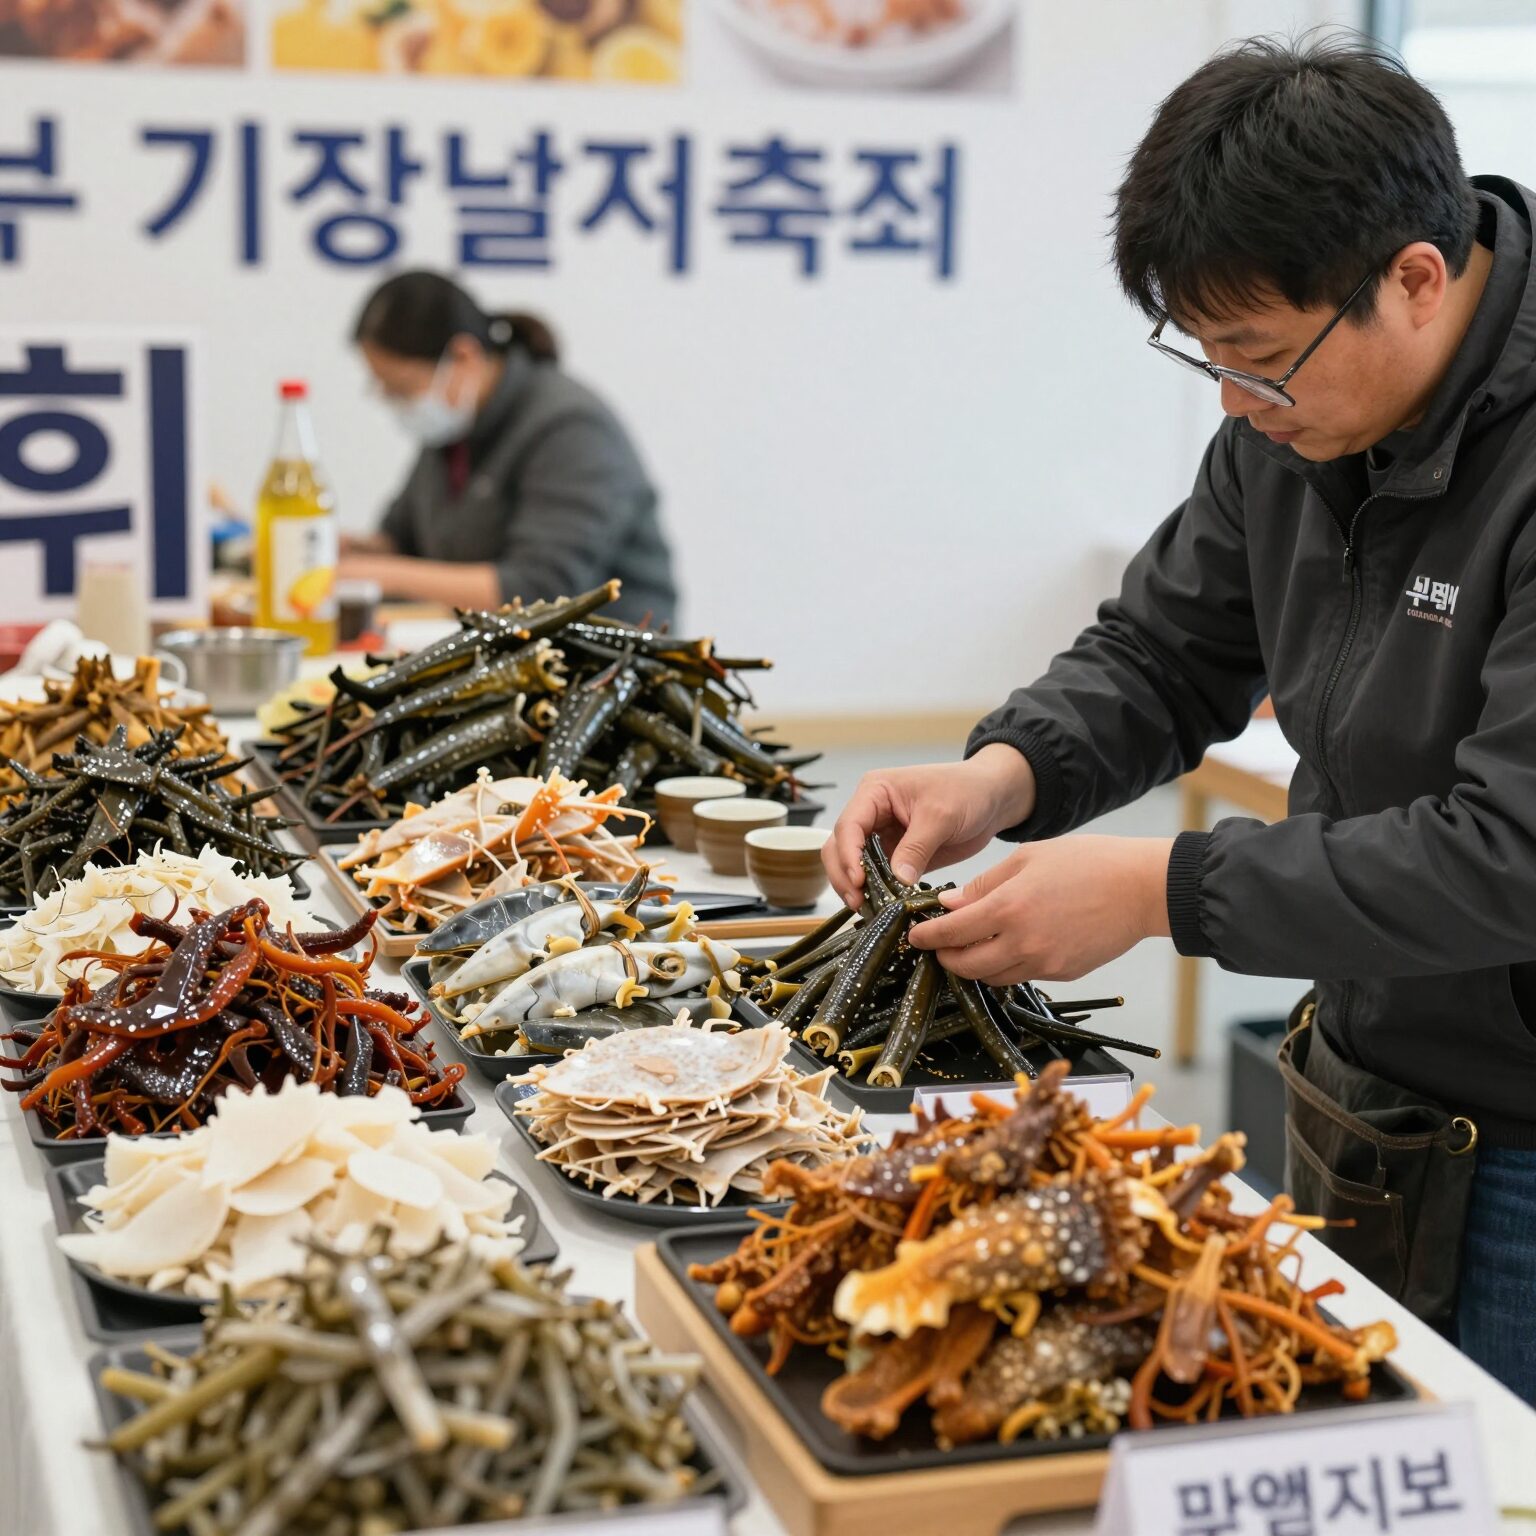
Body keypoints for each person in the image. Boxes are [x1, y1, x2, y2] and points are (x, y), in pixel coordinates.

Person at [826, 35, 1536, 1405]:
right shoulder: (1293, 426)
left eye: (1259, 359)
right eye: (1204, 354)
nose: (1231, 402)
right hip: (1364, 1083)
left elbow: (1512, 852)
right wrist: (999, 775)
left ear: (1418, 278)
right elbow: (1164, 651)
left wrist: (1164, 887)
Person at [340, 270, 677, 627]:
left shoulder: (570, 428)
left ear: (464, 357)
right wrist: (345, 552)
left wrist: (373, 575)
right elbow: (404, 541)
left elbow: (539, 590)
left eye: (401, 389)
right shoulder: (453, 431)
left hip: (605, 665)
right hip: (500, 655)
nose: (396, 403)